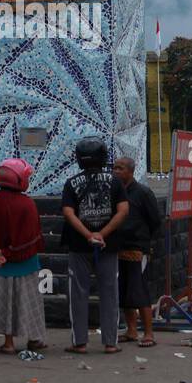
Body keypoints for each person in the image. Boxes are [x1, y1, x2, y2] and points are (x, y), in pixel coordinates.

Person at [61, 137, 129, 354]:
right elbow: (123, 211)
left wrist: (88, 234)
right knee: (110, 293)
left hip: (79, 245)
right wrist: (102, 234)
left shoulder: (71, 183)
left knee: (78, 293)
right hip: (108, 245)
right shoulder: (115, 182)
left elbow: (68, 213)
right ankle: (110, 342)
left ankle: (79, 342)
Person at [0, 158, 47, 355]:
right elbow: (31, 237)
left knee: (4, 302)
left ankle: (8, 343)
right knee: (29, 302)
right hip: (25, 264)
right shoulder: (27, 204)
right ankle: (34, 339)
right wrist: (9, 253)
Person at [112, 156, 161, 348]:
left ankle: (148, 333)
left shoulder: (143, 193)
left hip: (137, 249)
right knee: (123, 291)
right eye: (114, 167)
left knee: (139, 290)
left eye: (120, 168)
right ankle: (131, 330)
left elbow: (155, 221)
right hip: (117, 248)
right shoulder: (114, 192)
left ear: (130, 171)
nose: (116, 171)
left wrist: (145, 242)